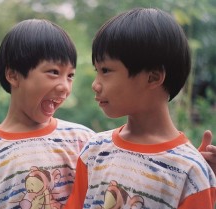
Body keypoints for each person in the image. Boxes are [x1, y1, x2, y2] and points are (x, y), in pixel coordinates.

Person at [65, 8, 216, 209]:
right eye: (97, 71)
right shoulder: (95, 150)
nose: (95, 84)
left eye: (106, 71)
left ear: (153, 77)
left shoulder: (189, 171)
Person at [0, 19, 95, 209]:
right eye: (53, 72)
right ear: (13, 75)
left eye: (70, 75)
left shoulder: (83, 141)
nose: (64, 87)